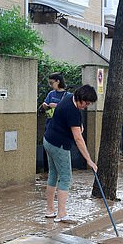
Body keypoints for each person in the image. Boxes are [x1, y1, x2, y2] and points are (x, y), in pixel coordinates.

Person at [43, 84, 98, 223]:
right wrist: (89, 160)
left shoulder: (68, 97)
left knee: (53, 175)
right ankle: (61, 213)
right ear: (80, 98)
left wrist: (79, 126)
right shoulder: (72, 110)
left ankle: (50, 210)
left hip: (48, 140)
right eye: (86, 103)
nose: (87, 106)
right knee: (66, 178)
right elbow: (78, 139)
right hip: (59, 145)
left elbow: (74, 124)